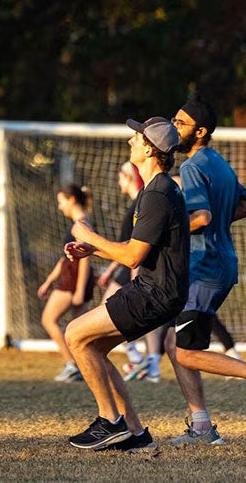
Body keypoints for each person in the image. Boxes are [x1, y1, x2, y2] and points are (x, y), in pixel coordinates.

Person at [63, 116, 188, 452]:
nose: (131, 141)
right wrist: (93, 247)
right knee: (95, 348)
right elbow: (139, 252)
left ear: (150, 149)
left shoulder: (158, 192)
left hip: (155, 293)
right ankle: (135, 434)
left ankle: (110, 422)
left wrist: (87, 233)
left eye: (137, 138)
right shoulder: (156, 190)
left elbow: (132, 257)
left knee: (74, 333)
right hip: (156, 290)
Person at [163, 93, 246, 446]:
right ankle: (200, 425)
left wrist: (168, 229)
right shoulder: (219, 162)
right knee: (177, 343)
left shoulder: (191, 166)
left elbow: (200, 217)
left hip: (204, 266)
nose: (173, 127)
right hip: (221, 262)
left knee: (184, 351)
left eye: (179, 123)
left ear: (199, 131)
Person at [97, 162, 166, 384]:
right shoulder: (138, 203)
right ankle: (143, 360)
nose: (118, 182)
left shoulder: (143, 202)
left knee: (109, 313)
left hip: (132, 268)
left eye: (119, 177)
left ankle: (141, 359)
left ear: (128, 177)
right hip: (127, 266)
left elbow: (135, 246)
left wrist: (131, 274)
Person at [37, 185, 96, 382]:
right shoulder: (77, 222)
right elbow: (65, 258)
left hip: (74, 281)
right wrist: (48, 281)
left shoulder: (81, 223)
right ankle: (85, 367)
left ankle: (72, 364)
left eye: (61, 201)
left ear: (71, 200)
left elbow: (86, 258)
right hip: (72, 278)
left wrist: (79, 289)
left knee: (48, 319)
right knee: (79, 331)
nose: (59, 207)